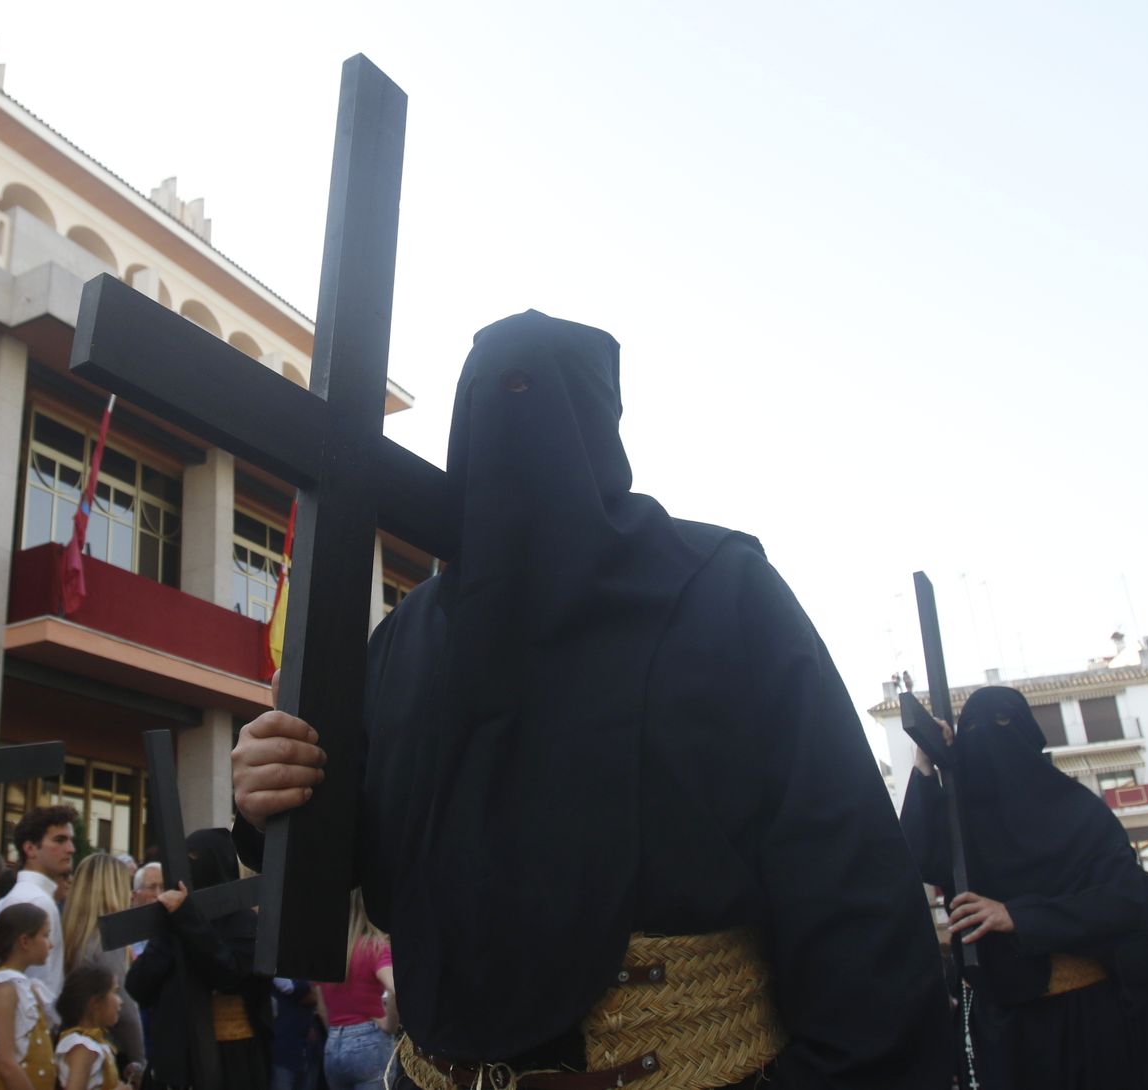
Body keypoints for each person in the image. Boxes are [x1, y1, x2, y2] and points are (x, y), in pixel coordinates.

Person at [230, 311, 952, 1088]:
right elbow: (361, 860)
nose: (515, 421)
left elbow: (844, 872)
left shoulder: (721, 591)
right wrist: (270, 799)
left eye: (540, 393)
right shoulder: (406, 638)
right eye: (491, 397)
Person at [900, 686, 1148, 1089]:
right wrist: (925, 767)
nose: (988, 736)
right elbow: (917, 857)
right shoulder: (961, 821)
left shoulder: (1080, 811)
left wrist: (1019, 916)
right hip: (1001, 1024)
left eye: (1003, 723)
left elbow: (1124, 900)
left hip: (1090, 1015)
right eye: (972, 728)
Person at [127, 829, 272, 1090]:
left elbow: (228, 974)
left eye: (194, 858)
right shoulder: (174, 920)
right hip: (175, 1062)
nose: (187, 868)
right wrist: (172, 932)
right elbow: (137, 986)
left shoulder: (245, 923)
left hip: (232, 1058)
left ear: (216, 863)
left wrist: (188, 920)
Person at [0, 805, 76, 1006]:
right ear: (30, 848)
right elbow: (37, 986)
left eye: (70, 840)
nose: (70, 849)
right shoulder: (36, 901)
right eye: (59, 840)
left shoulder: (33, 897)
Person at [62, 853, 145, 1073]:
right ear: (113, 889)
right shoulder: (106, 939)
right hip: (106, 1051)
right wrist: (141, 1062)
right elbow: (125, 1011)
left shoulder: (72, 934)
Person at [0, 903, 57, 1090]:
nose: (51, 944)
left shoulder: (24, 986)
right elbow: (6, 1063)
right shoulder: (4, 987)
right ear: (25, 941)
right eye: (45, 935)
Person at [315, 891, 395, 1090]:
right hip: (369, 1041)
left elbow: (321, 1007)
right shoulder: (375, 947)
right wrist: (390, 1024)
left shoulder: (326, 953)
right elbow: (395, 988)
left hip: (333, 1043)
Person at [58, 964, 126, 1090]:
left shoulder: (94, 1043)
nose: (121, 1001)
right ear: (95, 1003)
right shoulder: (82, 1047)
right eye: (115, 992)